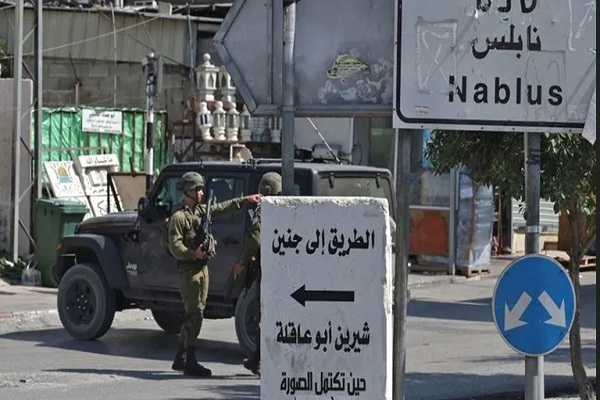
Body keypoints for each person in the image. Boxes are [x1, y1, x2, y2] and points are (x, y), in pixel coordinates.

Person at [168, 171, 262, 378]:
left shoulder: (202, 211)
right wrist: (193, 253)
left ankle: (181, 356)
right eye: (198, 189)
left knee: (195, 313)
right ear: (188, 191)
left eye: (202, 189)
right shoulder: (179, 218)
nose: (201, 193)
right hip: (189, 271)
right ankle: (190, 361)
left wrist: (246, 200)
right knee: (195, 314)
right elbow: (175, 246)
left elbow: (223, 207)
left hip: (202, 269)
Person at [233, 171, 282, 376]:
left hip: (267, 269)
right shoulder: (285, 208)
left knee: (264, 314)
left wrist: (242, 261)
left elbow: (255, 238)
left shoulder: (264, 209)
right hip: (281, 269)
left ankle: (260, 360)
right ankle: (258, 359)